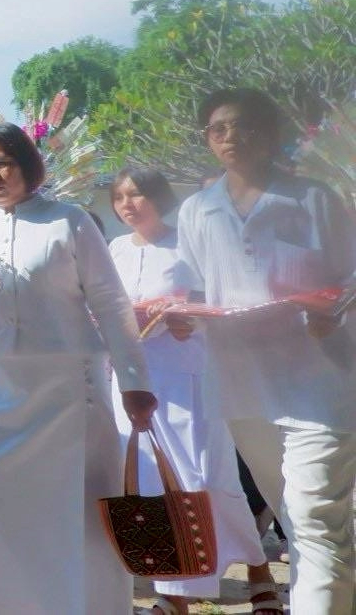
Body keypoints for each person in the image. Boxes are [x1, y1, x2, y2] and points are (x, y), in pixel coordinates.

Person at [0, 122, 156, 615]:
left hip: (68, 391)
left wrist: (135, 383)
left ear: (27, 164)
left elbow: (111, 304)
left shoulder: (70, 222)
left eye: (2, 162)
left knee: (82, 515)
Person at [174, 89, 356, 613]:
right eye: (218, 129)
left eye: (243, 126)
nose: (231, 138)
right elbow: (193, 290)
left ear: (271, 134)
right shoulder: (197, 211)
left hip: (320, 384)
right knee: (297, 522)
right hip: (243, 391)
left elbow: (349, 277)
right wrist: (185, 318)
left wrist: (333, 310)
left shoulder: (313, 198)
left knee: (314, 517)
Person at [107, 165, 277, 615]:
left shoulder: (189, 244)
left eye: (138, 193)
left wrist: (191, 319)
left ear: (159, 196)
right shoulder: (114, 251)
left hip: (188, 377)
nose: (128, 204)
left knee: (209, 479)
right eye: (120, 196)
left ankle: (258, 569)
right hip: (132, 380)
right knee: (152, 483)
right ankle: (174, 594)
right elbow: (103, 312)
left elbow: (223, 303)